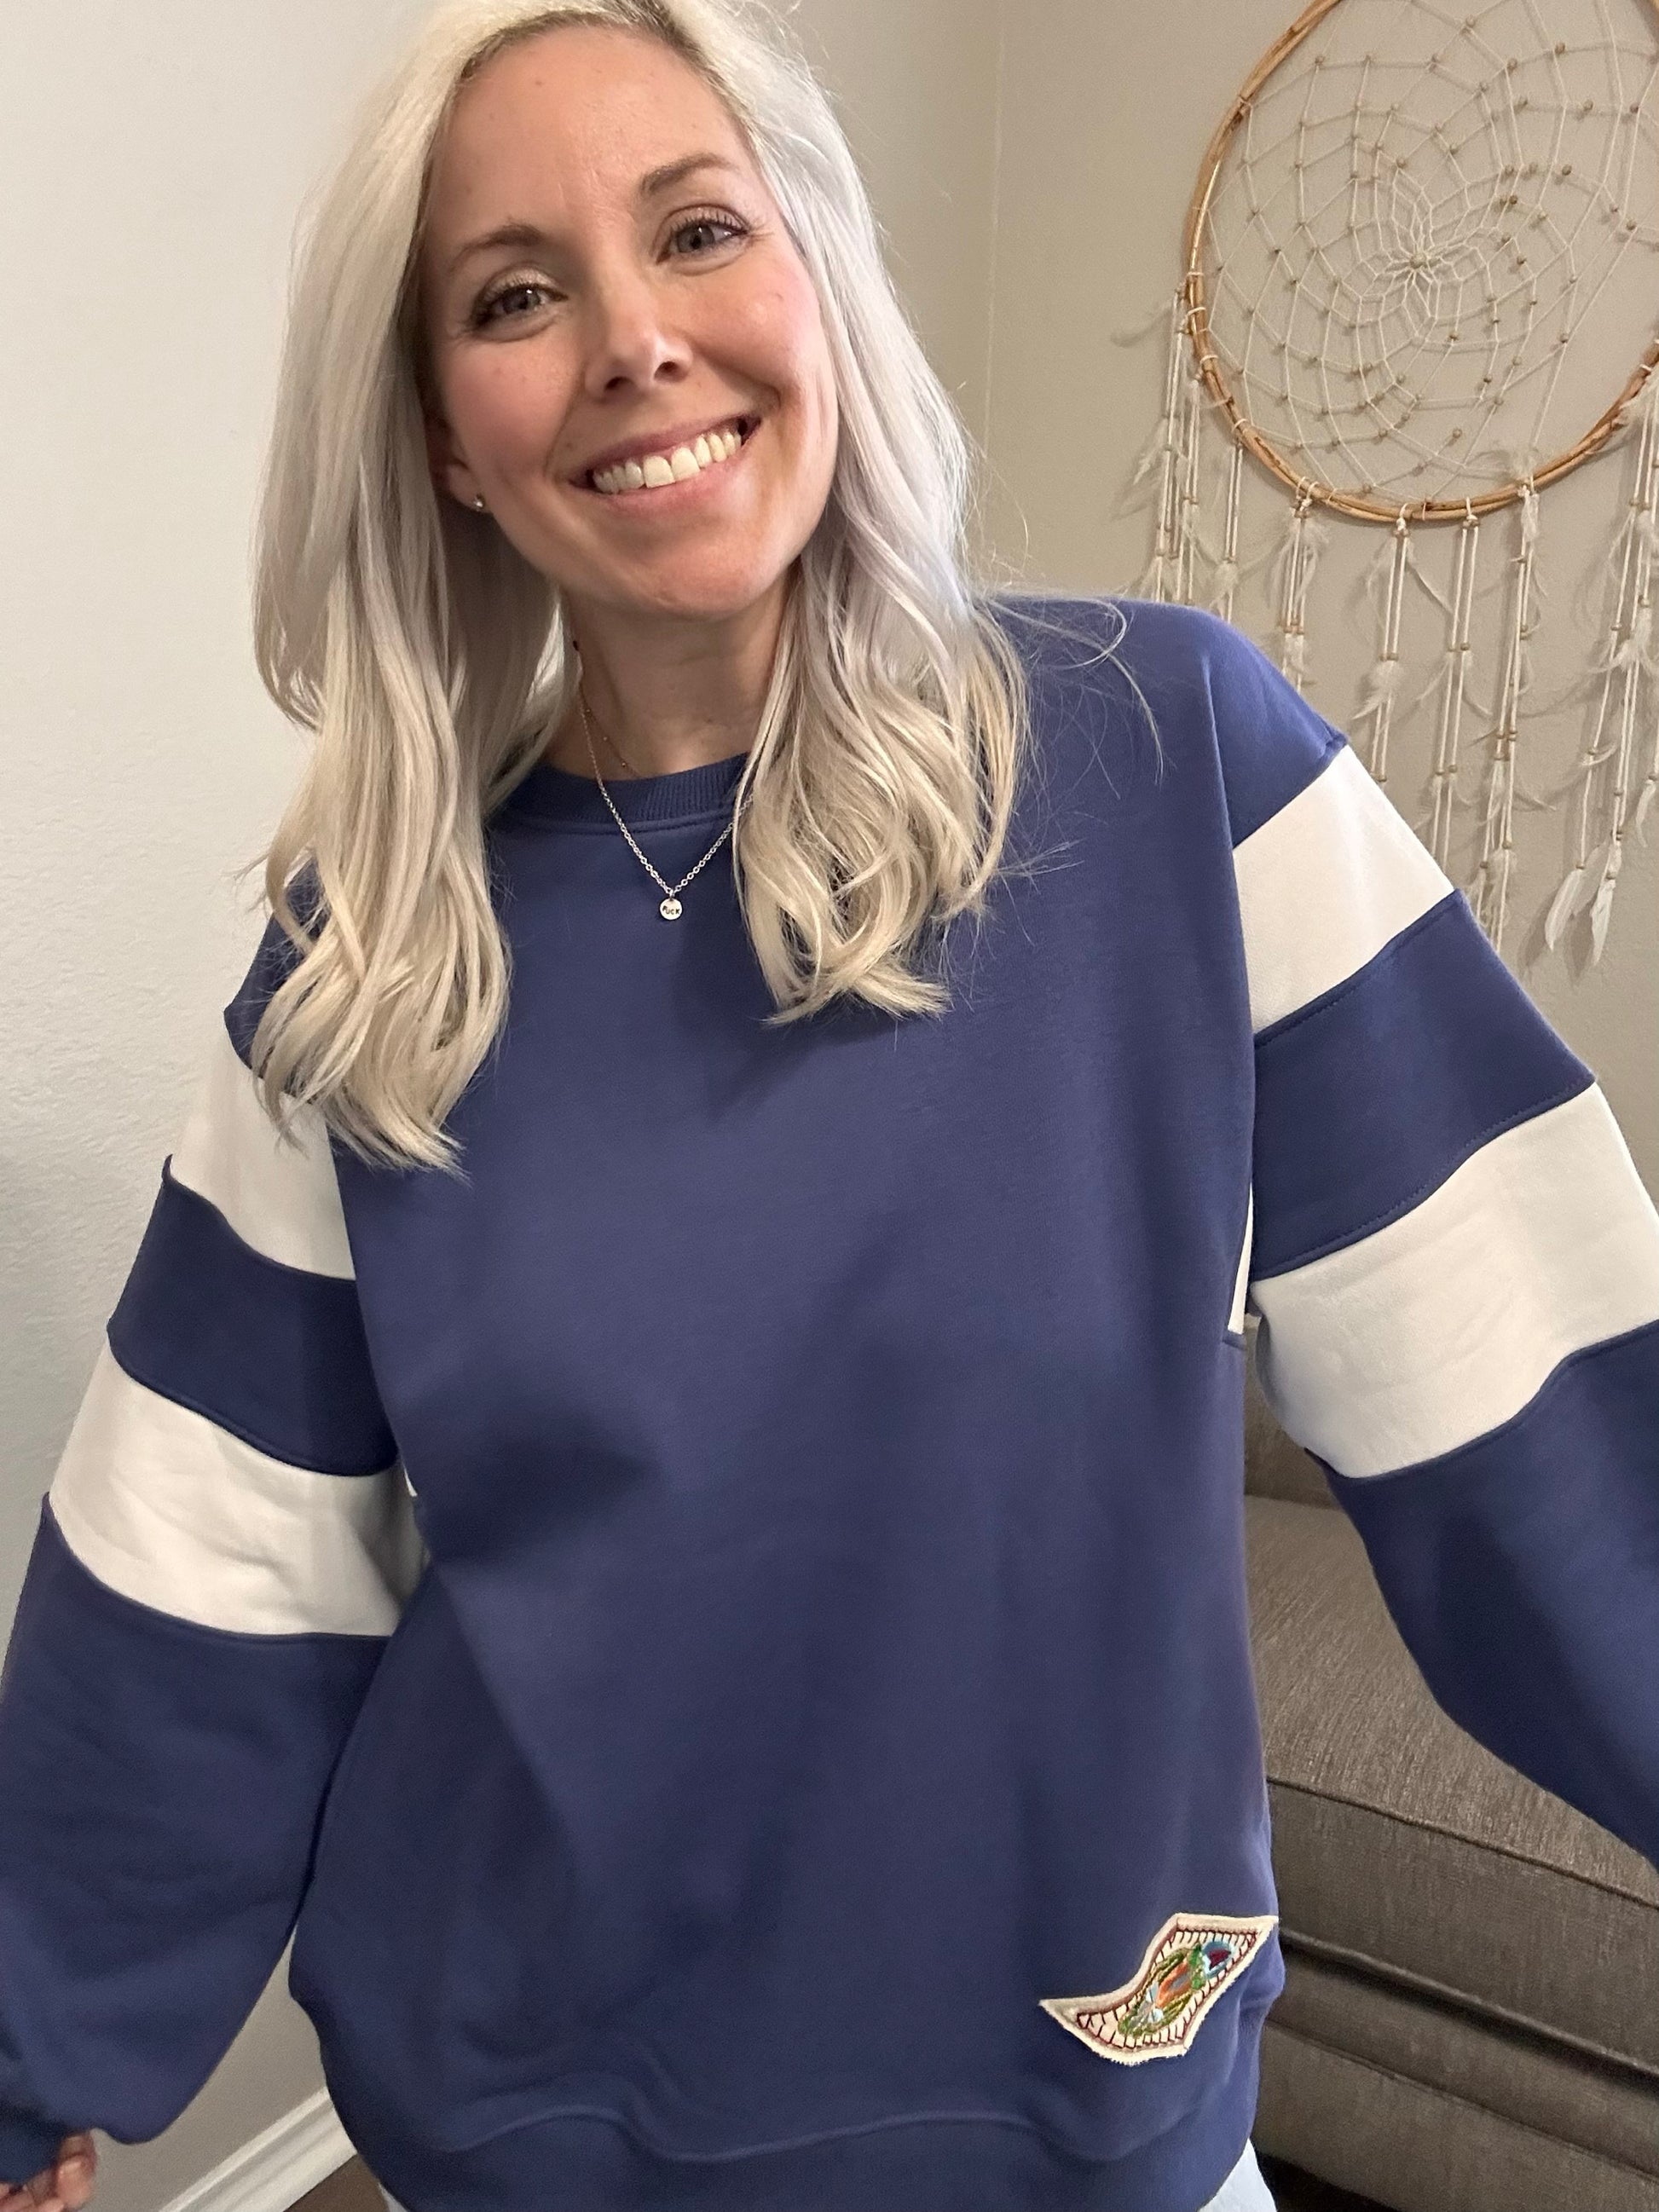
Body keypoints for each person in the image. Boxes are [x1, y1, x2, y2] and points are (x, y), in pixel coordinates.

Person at [3, 0, 1657, 2209]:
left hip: (1090, 2115)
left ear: (819, 281)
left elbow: (1551, 1412)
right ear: (443, 439)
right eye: (514, 294)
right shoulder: (374, 959)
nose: (632, 339)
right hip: (522, 2134)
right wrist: (30, 2064)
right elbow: (200, 1580)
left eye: (697, 229)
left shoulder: (1179, 766)